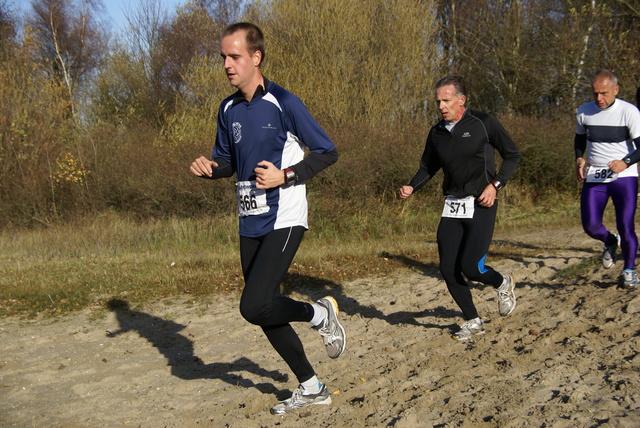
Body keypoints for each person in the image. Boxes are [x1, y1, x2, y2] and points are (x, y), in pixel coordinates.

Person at [189, 22, 345, 415]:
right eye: (223, 56)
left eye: (234, 56)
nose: (226, 64)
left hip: (286, 215)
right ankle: (312, 386)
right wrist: (211, 167)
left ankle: (318, 313)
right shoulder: (227, 108)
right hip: (250, 219)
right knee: (264, 308)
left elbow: (327, 151)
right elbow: (228, 162)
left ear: (255, 57)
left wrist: (285, 176)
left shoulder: (284, 102)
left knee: (253, 305)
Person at [397, 75, 521, 341]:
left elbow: (512, 155)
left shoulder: (483, 123)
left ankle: (502, 283)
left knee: (472, 268)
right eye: (438, 101)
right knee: (448, 268)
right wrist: (411, 186)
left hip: (481, 203)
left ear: (461, 100)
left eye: (446, 100)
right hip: (452, 206)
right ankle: (472, 320)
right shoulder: (437, 133)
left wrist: (495, 185)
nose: (441, 106)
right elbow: (428, 167)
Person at [575, 69, 640, 288]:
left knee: (626, 225)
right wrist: (579, 158)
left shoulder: (629, 112)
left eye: (604, 93)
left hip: (624, 176)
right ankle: (610, 241)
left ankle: (629, 270)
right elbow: (579, 140)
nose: (599, 99)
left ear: (616, 90)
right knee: (591, 226)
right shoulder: (584, 112)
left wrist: (626, 162)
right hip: (595, 176)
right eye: (595, 94)